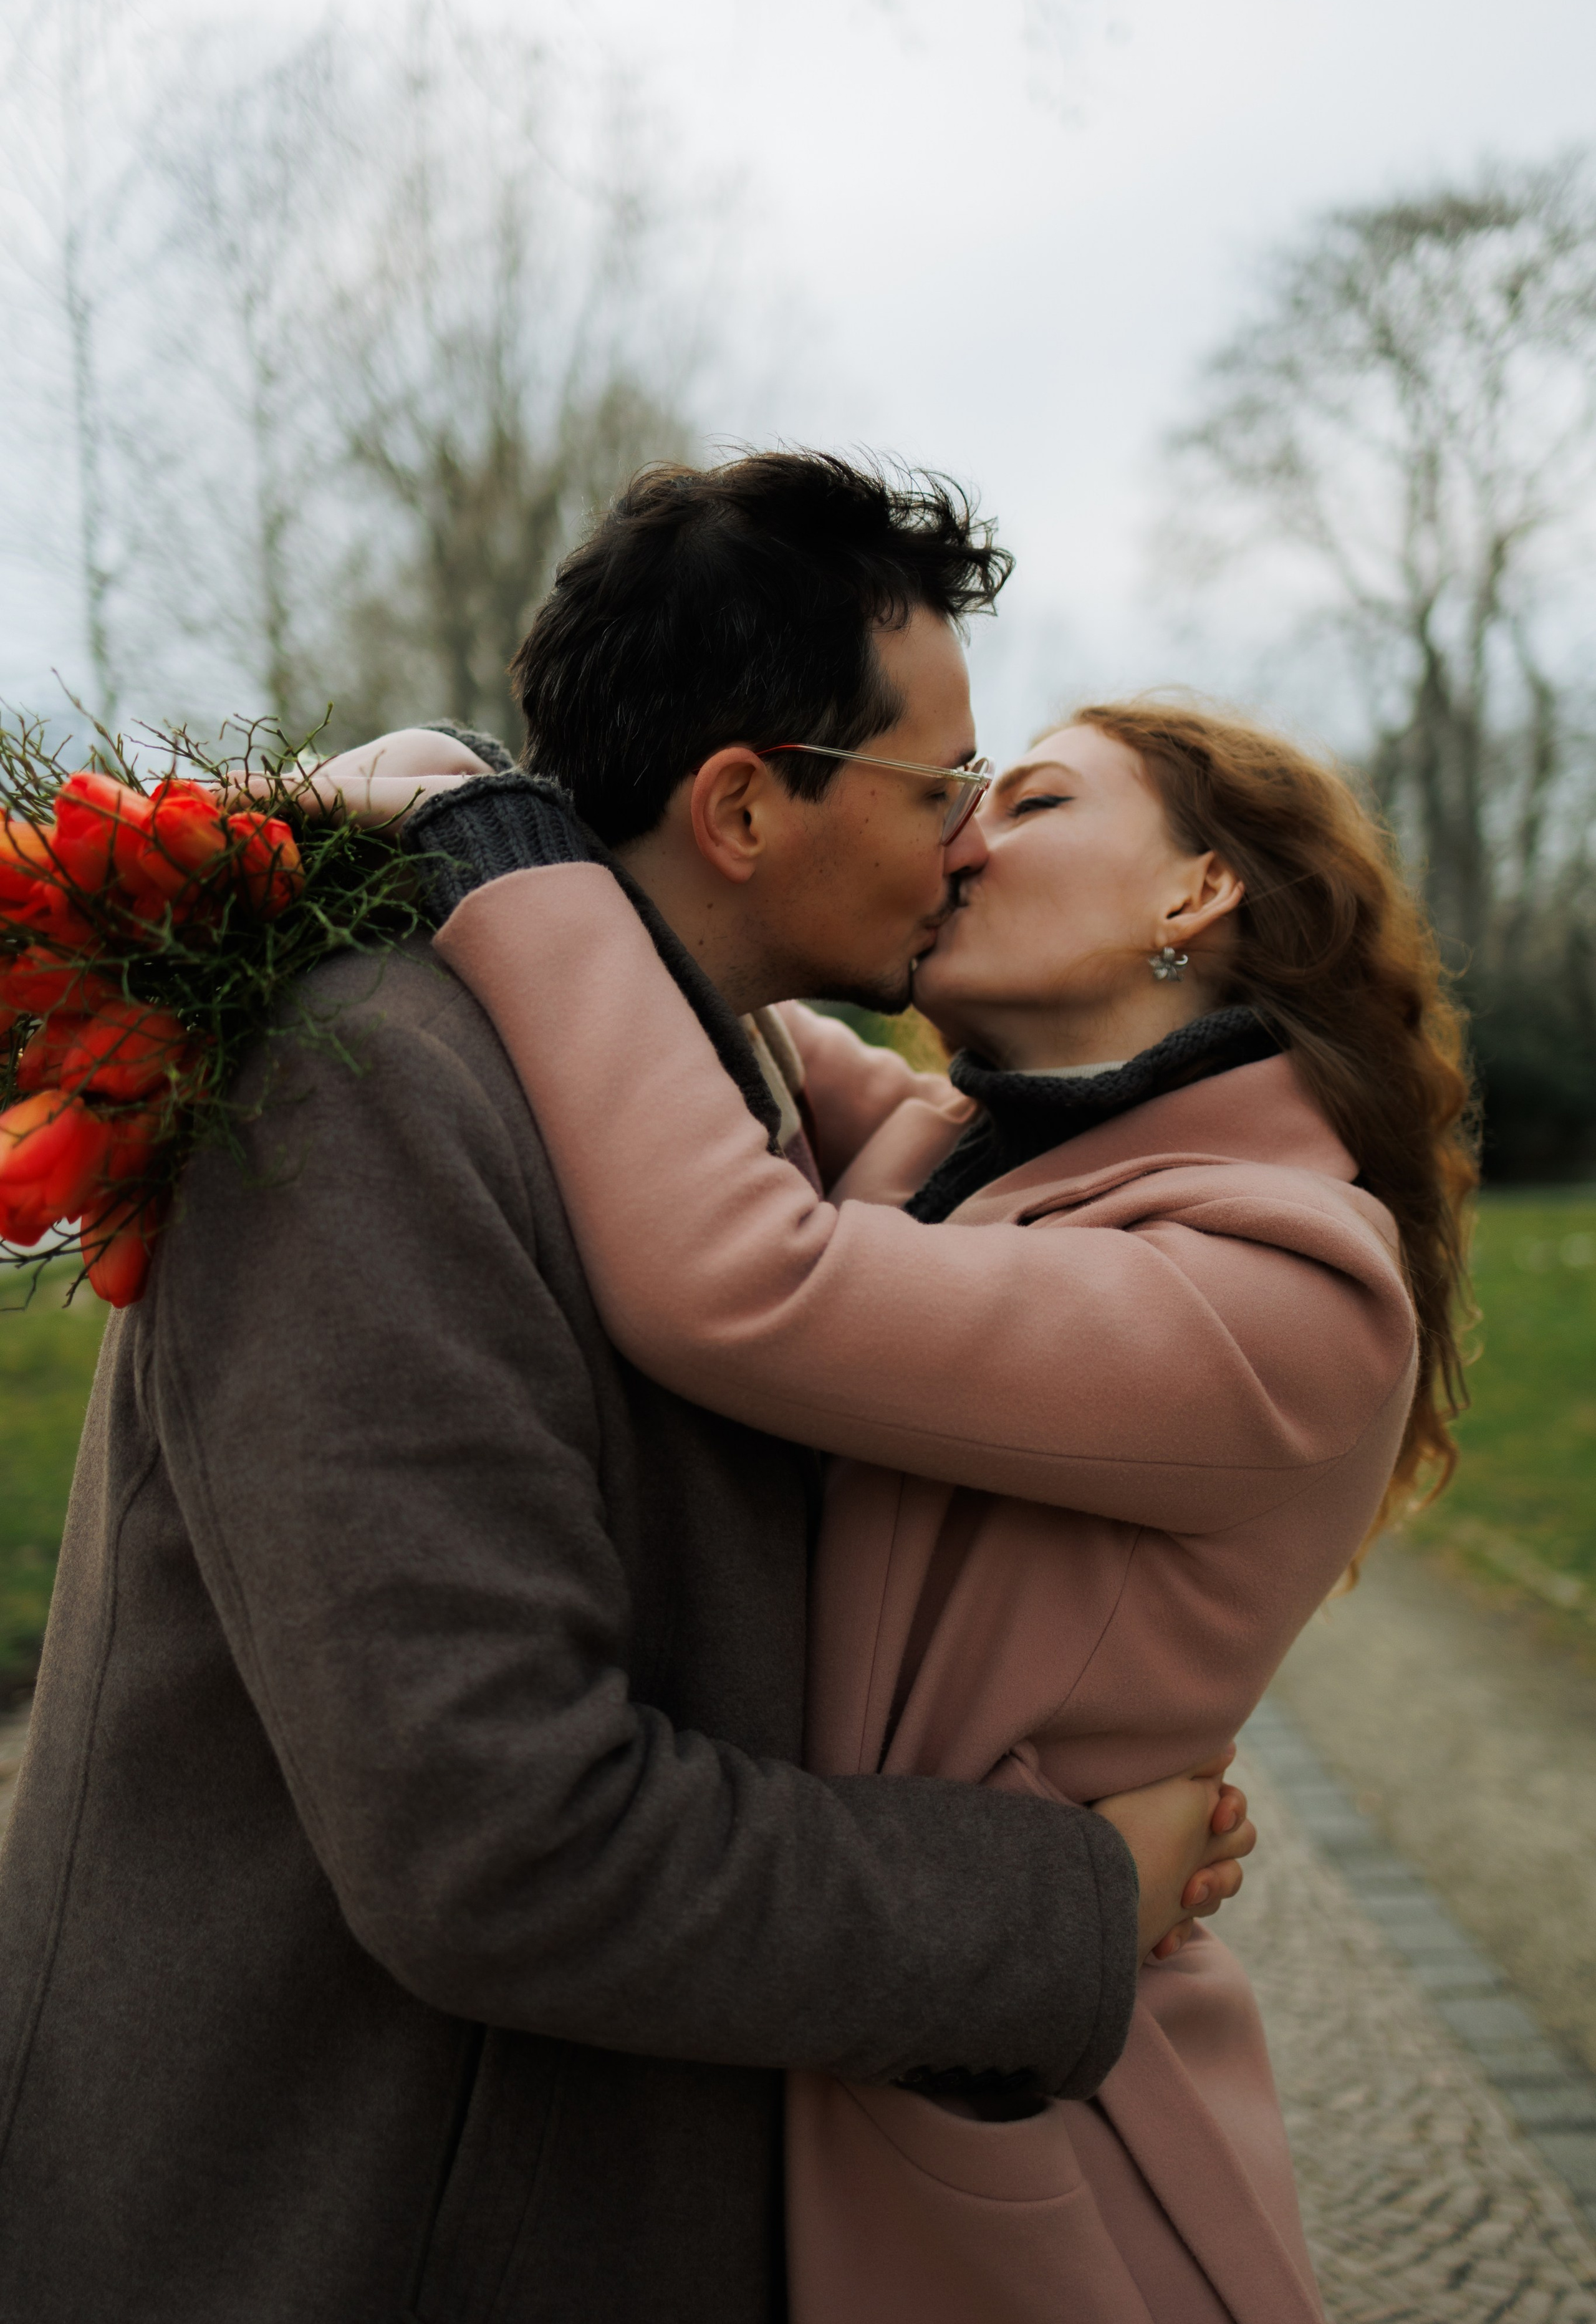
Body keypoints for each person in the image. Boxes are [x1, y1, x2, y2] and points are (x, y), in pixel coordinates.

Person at [0, 454, 1254, 2324]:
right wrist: (1061, 1901)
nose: (970, 842)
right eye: (942, 787)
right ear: (744, 805)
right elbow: (502, 1844)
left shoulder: (701, 1065)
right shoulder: (374, 1090)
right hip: (334, 2233)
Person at [352, 659, 1474, 2320]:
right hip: (837, 2039)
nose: (962, 840)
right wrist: (430, 788)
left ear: (1198, 886)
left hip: (1042, 2166)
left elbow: (740, 1275)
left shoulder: (1295, 1290)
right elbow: (683, 996)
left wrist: (511, 860)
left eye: (1031, 801)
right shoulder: (950, 1140)